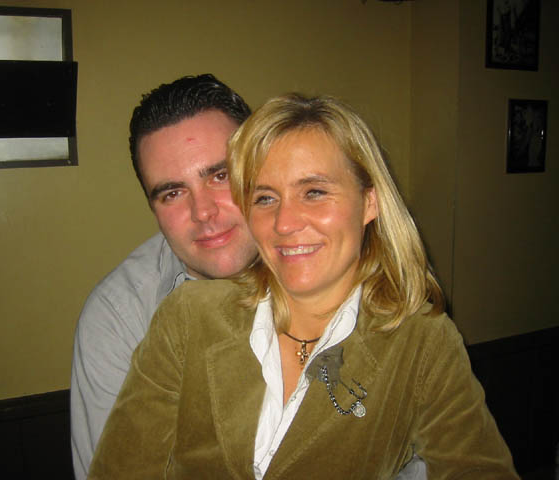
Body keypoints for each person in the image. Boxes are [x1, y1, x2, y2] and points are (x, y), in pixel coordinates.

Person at [88, 93, 519, 479]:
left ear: (369, 201)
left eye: (313, 192)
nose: (285, 222)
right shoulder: (188, 316)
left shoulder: (423, 341)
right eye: (265, 198)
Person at [70, 74, 258, 479]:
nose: (203, 212)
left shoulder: (329, 263)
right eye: (172, 192)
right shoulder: (118, 319)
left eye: (220, 175)